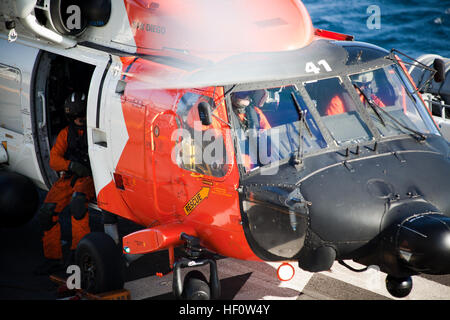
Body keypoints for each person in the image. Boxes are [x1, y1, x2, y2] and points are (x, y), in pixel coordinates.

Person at [35, 92, 95, 275]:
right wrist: (70, 165)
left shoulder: (95, 131)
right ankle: (53, 258)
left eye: (83, 115)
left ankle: (79, 253)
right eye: (76, 116)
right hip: (70, 177)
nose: (80, 119)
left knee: (78, 205)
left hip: (90, 179)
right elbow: (54, 160)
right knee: (47, 213)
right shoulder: (65, 134)